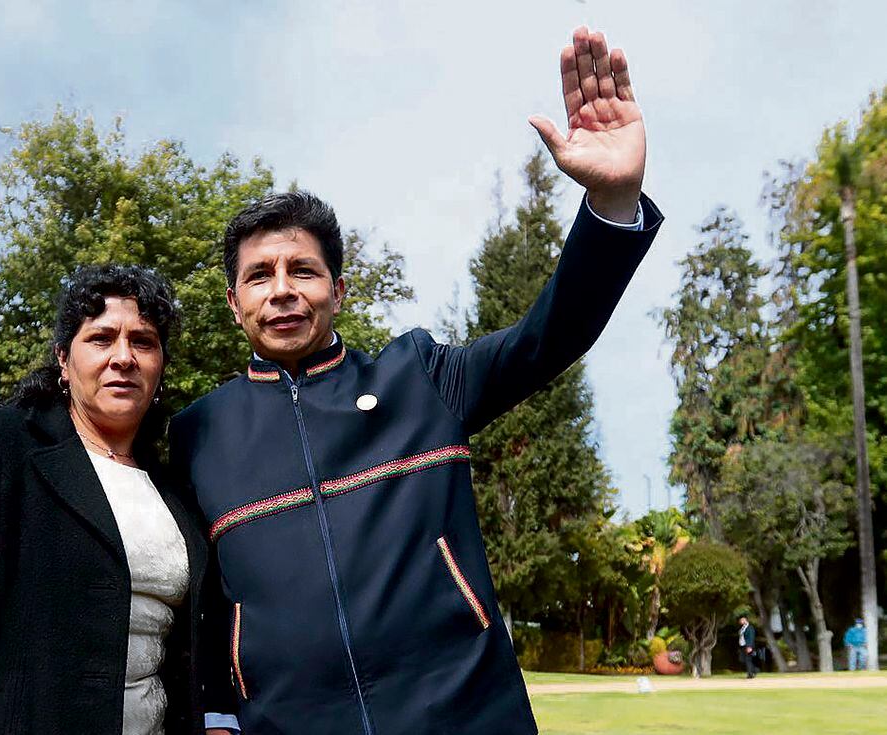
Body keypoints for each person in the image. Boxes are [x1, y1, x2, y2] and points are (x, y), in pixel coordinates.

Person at [168, 25, 661, 735]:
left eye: (303, 270)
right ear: (233, 302)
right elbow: (204, 602)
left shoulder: (421, 376)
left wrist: (612, 205)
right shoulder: (198, 434)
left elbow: (549, 336)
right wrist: (217, 711)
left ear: (338, 291)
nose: (282, 291)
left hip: (467, 717)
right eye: (259, 276)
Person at [0, 265, 237, 734]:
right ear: (63, 358)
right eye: (101, 339)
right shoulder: (0, 446)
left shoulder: (175, 486)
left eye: (143, 342)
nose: (123, 357)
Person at [737, 615, 757, 679]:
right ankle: (754, 670)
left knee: (748, 660)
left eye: (742, 620)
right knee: (742, 659)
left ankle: (750, 674)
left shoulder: (750, 628)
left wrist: (749, 646)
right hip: (742, 645)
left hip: (747, 646)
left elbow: (751, 637)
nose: (741, 621)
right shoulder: (742, 628)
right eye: (740, 620)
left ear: (745, 620)